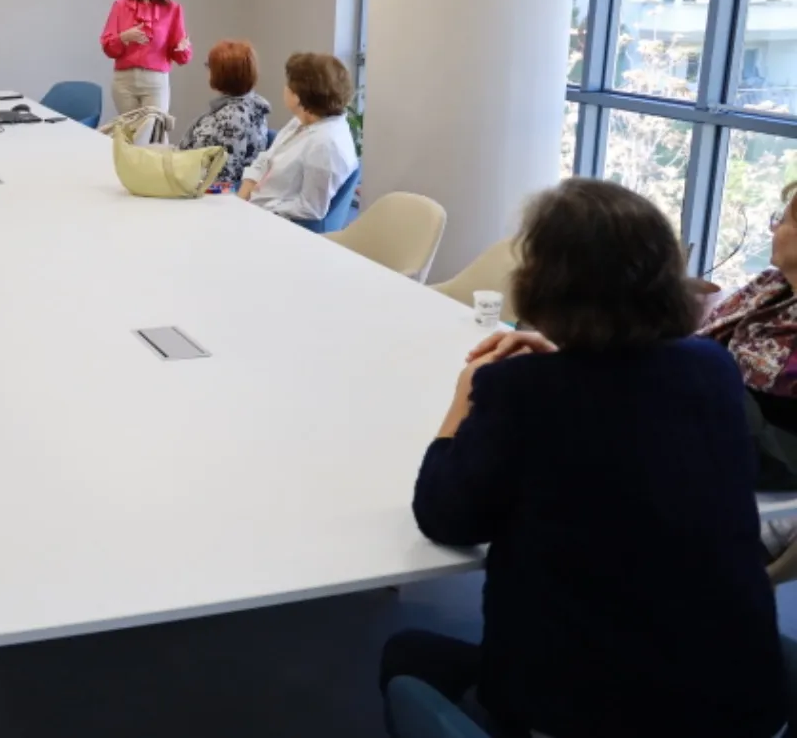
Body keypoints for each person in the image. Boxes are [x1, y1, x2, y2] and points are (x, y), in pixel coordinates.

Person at [382, 179, 785, 738]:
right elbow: (622, 428)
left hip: (580, 712)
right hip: (743, 705)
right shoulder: (712, 371)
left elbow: (444, 516)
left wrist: (465, 397)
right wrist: (562, 362)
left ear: (543, 283)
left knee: (406, 654)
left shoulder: (522, 392)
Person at [701, 182, 797, 490]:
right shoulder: (770, 286)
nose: (773, 229)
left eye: (781, 221)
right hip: (724, 432)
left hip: (776, 457)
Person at [237, 53, 357, 223]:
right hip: (254, 205)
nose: (284, 87)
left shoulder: (326, 144)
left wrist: (259, 208)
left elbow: (311, 208)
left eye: (288, 84)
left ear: (298, 97)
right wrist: (242, 199)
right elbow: (266, 159)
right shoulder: (301, 119)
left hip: (276, 222)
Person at [99, 0, 191, 139]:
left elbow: (180, 55)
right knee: (129, 138)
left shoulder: (172, 9)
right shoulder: (120, 5)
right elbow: (107, 46)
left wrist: (182, 49)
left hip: (155, 83)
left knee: (153, 136)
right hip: (124, 83)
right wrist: (124, 37)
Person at [178, 39, 272, 187]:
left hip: (208, 195)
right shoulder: (251, 104)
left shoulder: (232, 118)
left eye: (210, 67)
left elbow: (223, 176)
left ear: (222, 74)